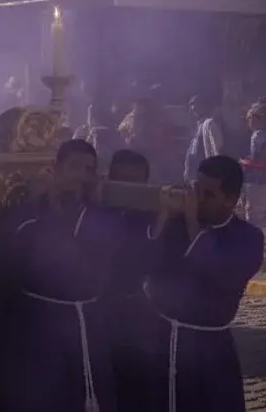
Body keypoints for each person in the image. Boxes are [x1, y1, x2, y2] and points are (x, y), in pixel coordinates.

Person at [138, 156, 264, 412]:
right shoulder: (175, 225)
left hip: (209, 349)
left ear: (230, 200)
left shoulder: (248, 237)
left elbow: (219, 271)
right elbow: (144, 262)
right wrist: (164, 215)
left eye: (208, 194)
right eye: (196, 189)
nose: (198, 199)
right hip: (162, 342)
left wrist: (193, 222)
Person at [6, 138, 123, 412]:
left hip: (88, 324)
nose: (81, 176)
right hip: (41, 324)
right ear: (56, 168)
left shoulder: (100, 215)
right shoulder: (31, 212)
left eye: (88, 169)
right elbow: (24, 252)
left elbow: (106, 254)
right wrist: (51, 211)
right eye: (74, 167)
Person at [102, 149, 153, 412]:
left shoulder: (151, 218)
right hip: (97, 308)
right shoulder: (93, 211)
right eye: (122, 182)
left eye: (136, 184)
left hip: (135, 310)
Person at [239, 104, 266, 228]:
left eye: (249, 119)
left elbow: (257, 159)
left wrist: (242, 162)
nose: (248, 122)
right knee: (262, 219)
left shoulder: (257, 136)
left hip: (255, 181)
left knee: (252, 218)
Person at [183, 96, 223, 185]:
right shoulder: (196, 124)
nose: (193, 108)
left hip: (203, 166)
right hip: (193, 167)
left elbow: (216, 146)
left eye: (196, 105)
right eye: (191, 105)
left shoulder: (210, 124)